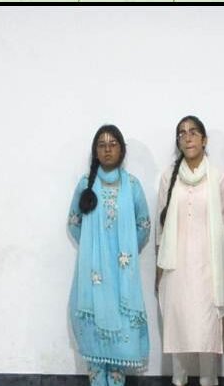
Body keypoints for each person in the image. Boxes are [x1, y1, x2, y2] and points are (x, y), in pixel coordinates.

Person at [67, 124, 151, 386]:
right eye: (101, 145)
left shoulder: (132, 186)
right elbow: (73, 221)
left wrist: (125, 255)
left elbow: (144, 224)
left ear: (122, 150)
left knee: (120, 342)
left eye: (113, 144)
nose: (107, 149)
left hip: (122, 274)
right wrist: (93, 250)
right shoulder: (86, 184)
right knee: (94, 337)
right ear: (95, 151)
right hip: (92, 273)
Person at [155, 115, 224, 386]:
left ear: (204, 139)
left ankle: (208, 381)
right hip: (175, 267)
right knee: (178, 329)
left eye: (193, 132)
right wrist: (158, 272)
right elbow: (160, 229)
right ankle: (178, 380)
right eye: (182, 133)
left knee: (206, 330)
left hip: (209, 268)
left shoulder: (218, 177)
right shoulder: (169, 177)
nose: (187, 137)